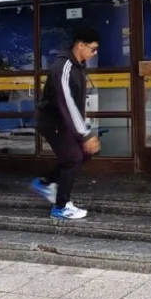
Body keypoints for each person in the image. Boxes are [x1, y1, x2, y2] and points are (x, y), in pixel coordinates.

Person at [30, 26, 101, 219]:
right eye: (93, 49)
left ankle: (46, 183)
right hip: (52, 121)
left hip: (64, 121)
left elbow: (76, 105)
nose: (94, 53)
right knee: (73, 158)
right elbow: (67, 103)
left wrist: (85, 131)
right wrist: (84, 134)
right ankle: (61, 207)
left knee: (84, 152)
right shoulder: (63, 67)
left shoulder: (79, 66)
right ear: (80, 46)